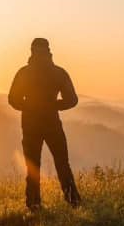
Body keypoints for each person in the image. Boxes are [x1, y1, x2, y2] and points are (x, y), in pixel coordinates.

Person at [8, 37, 80, 209]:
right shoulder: (58, 73)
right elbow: (72, 100)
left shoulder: (23, 73)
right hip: (52, 123)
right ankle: (73, 201)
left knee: (33, 166)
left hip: (30, 124)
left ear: (31, 51)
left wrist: (30, 106)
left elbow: (13, 99)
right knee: (62, 163)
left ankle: (34, 205)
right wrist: (53, 105)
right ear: (49, 51)